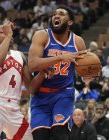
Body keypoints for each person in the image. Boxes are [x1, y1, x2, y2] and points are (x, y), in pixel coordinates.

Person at [28, 5, 88, 140]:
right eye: (54, 14)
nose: (56, 16)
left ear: (70, 22)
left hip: (63, 93)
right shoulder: (42, 35)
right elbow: (32, 65)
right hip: (41, 94)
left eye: (61, 14)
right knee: (40, 136)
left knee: (60, 133)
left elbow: (84, 71)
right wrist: (61, 57)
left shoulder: (78, 41)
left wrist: (88, 76)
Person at [0, 21, 47, 140]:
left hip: (14, 109)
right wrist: (9, 35)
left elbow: (31, 88)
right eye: (4, 32)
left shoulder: (20, 55)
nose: (9, 34)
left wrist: (43, 73)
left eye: (9, 32)